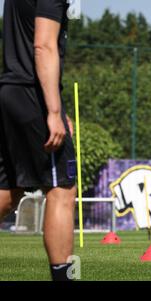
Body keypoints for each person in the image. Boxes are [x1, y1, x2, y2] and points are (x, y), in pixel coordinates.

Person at [0, 0, 77, 280]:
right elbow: (43, 46)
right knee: (61, 190)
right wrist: (53, 110)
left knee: (9, 192)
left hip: (10, 92)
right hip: (32, 95)